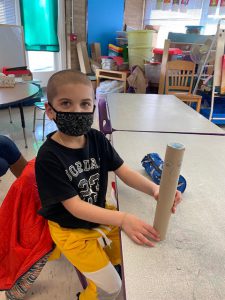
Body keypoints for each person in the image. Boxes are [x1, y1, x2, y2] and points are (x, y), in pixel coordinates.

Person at [35, 70, 181, 300]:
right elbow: (75, 208)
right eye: (66, 103)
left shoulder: (96, 138)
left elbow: (124, 171)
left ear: (93, 105)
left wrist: (155, 190)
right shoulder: (48, 157)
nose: (77, 111)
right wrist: (122, 218)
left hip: (99, 216)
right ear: (50, 110)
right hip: (72, 231)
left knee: (130, 258)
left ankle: (102, 273)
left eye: (85, 104)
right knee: (111, 289)